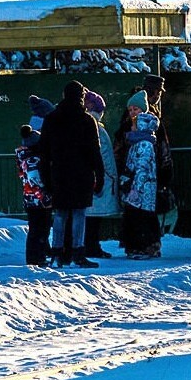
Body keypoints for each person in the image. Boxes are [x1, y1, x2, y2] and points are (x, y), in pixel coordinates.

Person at [40, 80, 104, 268]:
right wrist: (99, 177)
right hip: (81, 174)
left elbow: (44, 152)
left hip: (58, 173)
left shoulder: (51, 119)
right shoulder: (87, 120)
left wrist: (46, 179)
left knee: (60, 214)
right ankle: (78, 252)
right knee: (78, 214)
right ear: (81, 97)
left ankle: (57, 253)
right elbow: (95, 152)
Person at [120, 111, 161, 259]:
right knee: (139, 217)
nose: (131, 127)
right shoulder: (139, 143)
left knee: (139, 218)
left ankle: (142, 246)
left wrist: (135, 188)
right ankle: (144, 245)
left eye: (134, 124)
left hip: (141, 189)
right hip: (139, 187)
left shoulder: (143, 144)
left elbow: (142, 168)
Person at [83, 91, 118, 259]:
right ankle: (92, 245)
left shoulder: (89, 124)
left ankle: (90, 245)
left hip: (94, 176)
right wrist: (109, 175)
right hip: (100, 176)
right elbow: (102, 154)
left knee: (90, 216)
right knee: (93, 217)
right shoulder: (96, 126)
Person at [16, 124, 52, 266]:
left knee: (35, 229)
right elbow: (35, 181)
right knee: (40, 229)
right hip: (38, 200)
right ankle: (37, 257)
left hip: (29, 199)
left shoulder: (23, 158)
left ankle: (36, 256)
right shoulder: (34, 160)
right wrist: (45, 197)